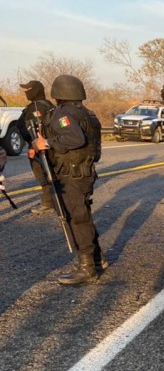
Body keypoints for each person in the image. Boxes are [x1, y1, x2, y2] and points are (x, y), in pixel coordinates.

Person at [30, 74, 104, 285]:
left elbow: (75, 138)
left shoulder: (63, 114)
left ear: (58, 93)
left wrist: (47, 143)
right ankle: (97, 259)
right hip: (84, 172)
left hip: (71, 174)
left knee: (75, 219)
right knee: (82, 215)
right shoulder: (88, 114)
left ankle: (87, 268)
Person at [19, 81, 56, 215]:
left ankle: (48, 203)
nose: (26, 92)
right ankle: (56, 200)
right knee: (52, 173)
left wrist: (31, 144)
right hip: (49, 145)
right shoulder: (49, 105)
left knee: (43, 174)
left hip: (38, 147)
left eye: (28, 89)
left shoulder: (35, 108)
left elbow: (27, 128)